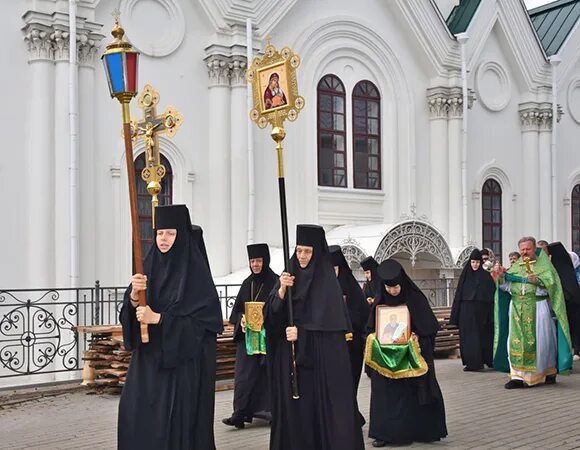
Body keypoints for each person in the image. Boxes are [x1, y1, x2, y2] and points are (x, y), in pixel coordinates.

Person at [118, 204, 223, 450]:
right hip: (147, 366)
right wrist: (133, 297)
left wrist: (160, 320)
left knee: (171, 429)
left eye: (170, 233)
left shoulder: (196, 276)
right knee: (134, 417)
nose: (163, 239)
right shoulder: (148, 266)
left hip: (179, 371)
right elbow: (130, 318)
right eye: (159, 233)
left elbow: (205, 327)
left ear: (181, 236)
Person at [264, 224, 364, 450]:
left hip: (318, 372)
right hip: (290, 364)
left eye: (307, 251)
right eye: (298, 250)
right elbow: (270, 318)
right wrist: (280, 291)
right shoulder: (288, 278)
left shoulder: (327, 285)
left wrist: (303, 334)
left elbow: (331, 335)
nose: (301, 256)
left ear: (316, 253)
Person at [366, 259, 447, 447]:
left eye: (395, 288)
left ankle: (416, 431)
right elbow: (369, 328)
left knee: (409, 396)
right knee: (384, 397)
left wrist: (418, 335)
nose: (392, 292)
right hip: (385, 361)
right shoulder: (381, 301)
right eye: (388, 288)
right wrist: (374, 337)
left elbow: (429, 327)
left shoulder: (415, 299)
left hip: (409, 359)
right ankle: (384, 434)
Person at [494, 236, 573, 389]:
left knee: (543, 342)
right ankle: (517, 376)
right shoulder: (516, 266)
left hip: (538, 307)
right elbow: (507, 287)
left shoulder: (544, 266)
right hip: (517, 309)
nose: (525, 252)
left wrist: (537, 281)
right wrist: (501, 277)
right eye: (522, 249)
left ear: (534, 248)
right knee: (515, 342)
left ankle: (546, 372)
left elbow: (553, 287)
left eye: (528, 249)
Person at [223, 244, 278, 429]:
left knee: (267, 375)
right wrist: (242, 320)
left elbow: (280, 310)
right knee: (243, 376)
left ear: (266, 261)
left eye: (258, 261)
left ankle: (270, 413)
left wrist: (266, 320)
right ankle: (239, 414)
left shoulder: (275, 282)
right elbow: (236, 311)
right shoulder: (248, 283)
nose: (255, 264)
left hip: (269, 339)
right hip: (247, 339)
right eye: (252, 261)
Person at [329, 245, 370, 392]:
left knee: (349, 384)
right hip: (330, 346)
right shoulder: (323, 288)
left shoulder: (351, 288)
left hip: (351, 345)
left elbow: (364, 315)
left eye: (334, 269)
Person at [450, 249, 495, 371]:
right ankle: (472, 363)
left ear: (481, 263)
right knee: (468, 337)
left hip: (481, 312)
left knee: (482, 336)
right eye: (473, 262)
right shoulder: (465, 276)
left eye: (477, 262)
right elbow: (459, 295)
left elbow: (491, 295)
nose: (475, 265)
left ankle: (484, 360)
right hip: (466, 312)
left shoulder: (486, 277)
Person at [548, 242, 580, 362]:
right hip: (563, 303)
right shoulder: (558, 266)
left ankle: (575, 350)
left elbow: (570, 288)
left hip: (570, 304)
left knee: (573, 328)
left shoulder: (563, 267)